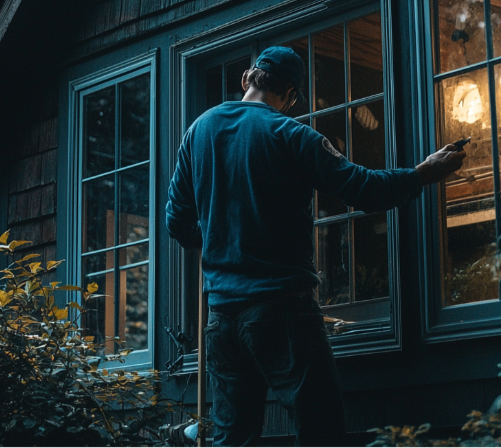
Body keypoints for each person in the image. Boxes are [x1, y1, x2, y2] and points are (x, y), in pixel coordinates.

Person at [166, 46, 465, 448]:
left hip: (222, 321)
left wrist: (223, 245)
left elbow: (176, 222)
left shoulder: (198, 131)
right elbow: (364, 189)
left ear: (246, 79)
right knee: (320, 428)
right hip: (282, 310)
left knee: (232, 440)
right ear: (290, 95)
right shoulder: (291, 135)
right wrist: (422, 174)